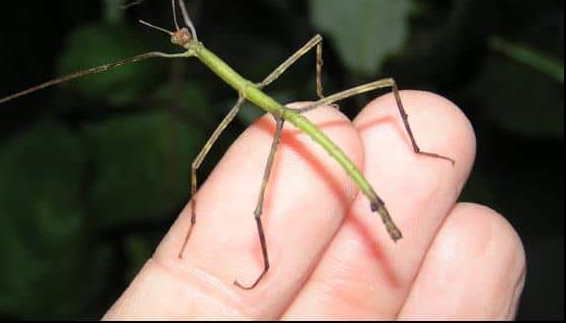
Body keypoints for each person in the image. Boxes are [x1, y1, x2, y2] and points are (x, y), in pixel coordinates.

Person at [103, 90, 526, 320]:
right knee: (248, 203)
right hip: (292, 121)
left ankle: (266, 268)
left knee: (244, 200)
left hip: (300, 122)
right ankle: (266, 267)